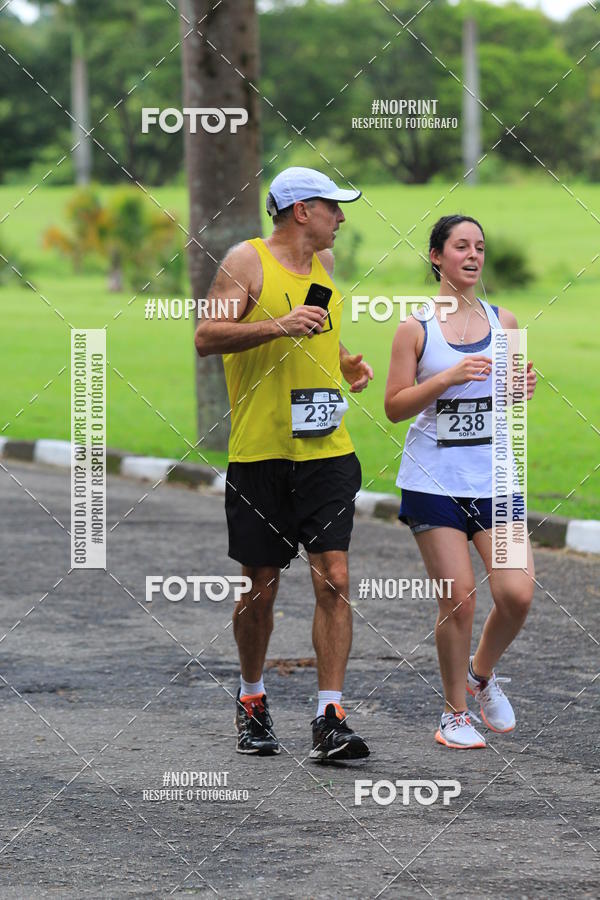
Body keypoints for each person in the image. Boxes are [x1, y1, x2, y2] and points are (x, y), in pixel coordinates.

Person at [194, 167, 373, 760]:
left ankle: (330, 716)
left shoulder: (321, 268)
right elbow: (206, 334)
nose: (341, 218)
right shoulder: (246, 261)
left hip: (325, 450)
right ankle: (252, 699)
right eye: (332, 208)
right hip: (261, 453)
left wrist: (344, 361)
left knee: (336, 578)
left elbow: (314, 330)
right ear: (302, 211)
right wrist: (277, 326)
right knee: (261, 587)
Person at [384, 214, 537, 750]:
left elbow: (509, 399)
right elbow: (394, 407)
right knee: (460, 598)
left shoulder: (506, 321)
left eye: (480, 247)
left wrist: (522, 389)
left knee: (516, 594)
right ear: (436, 256)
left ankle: (479, 675)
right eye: (460, 246)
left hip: (496, 479)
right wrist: (446, 377)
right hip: (434, 481)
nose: (473, 255)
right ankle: (454, 713)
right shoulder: (415, 328)